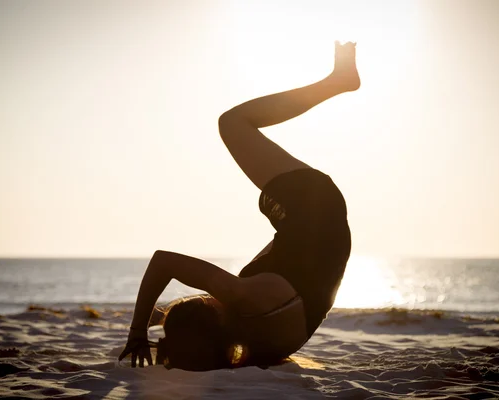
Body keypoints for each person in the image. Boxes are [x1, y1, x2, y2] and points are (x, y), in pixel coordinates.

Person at [119, 41, 360, 370]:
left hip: (317, 239)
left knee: (268, 265)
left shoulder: (250, 346)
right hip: (313, 208)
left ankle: (338, 81)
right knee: (232, 123)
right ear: (213, 316)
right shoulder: (244, 297)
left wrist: (152, 332)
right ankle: (337, 82)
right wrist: (136, 331)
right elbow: (164, 262)